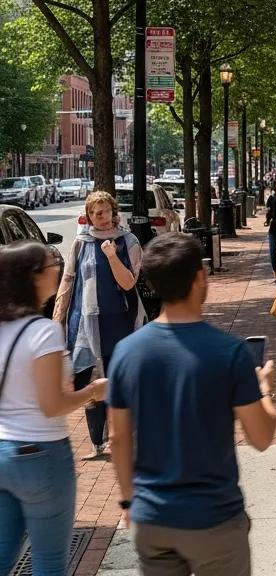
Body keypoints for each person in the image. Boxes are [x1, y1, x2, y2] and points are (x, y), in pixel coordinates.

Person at [107, 234, 276, 576]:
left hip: (154, 518)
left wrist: (128, 500)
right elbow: (261, 437)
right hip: (214, 518)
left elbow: (118, 438)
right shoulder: (231, 353)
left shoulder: (127, 352)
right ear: (200, 278)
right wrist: (264, 391)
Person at [0, 242, 106, 576]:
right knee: (49, 561)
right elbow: (52, 405)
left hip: (3, 452)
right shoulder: (43, 332)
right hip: (41, 455)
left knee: (2, 555)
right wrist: (92, 392)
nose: (58, 270)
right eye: (51, 266)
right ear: (31, 277)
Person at [53, 189, 145, 459]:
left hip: (120, 323)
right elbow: (68, 280)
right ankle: (96, 443)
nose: (98, 217)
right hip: (83, 324)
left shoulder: (127, 241)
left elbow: (129, 282)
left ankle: (123, 435)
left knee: (119, 377)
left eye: (103, 211)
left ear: (113, 212)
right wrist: (57, 319)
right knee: (88, 381)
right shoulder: (81, 243)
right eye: (93, 212)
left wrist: (112, 256)